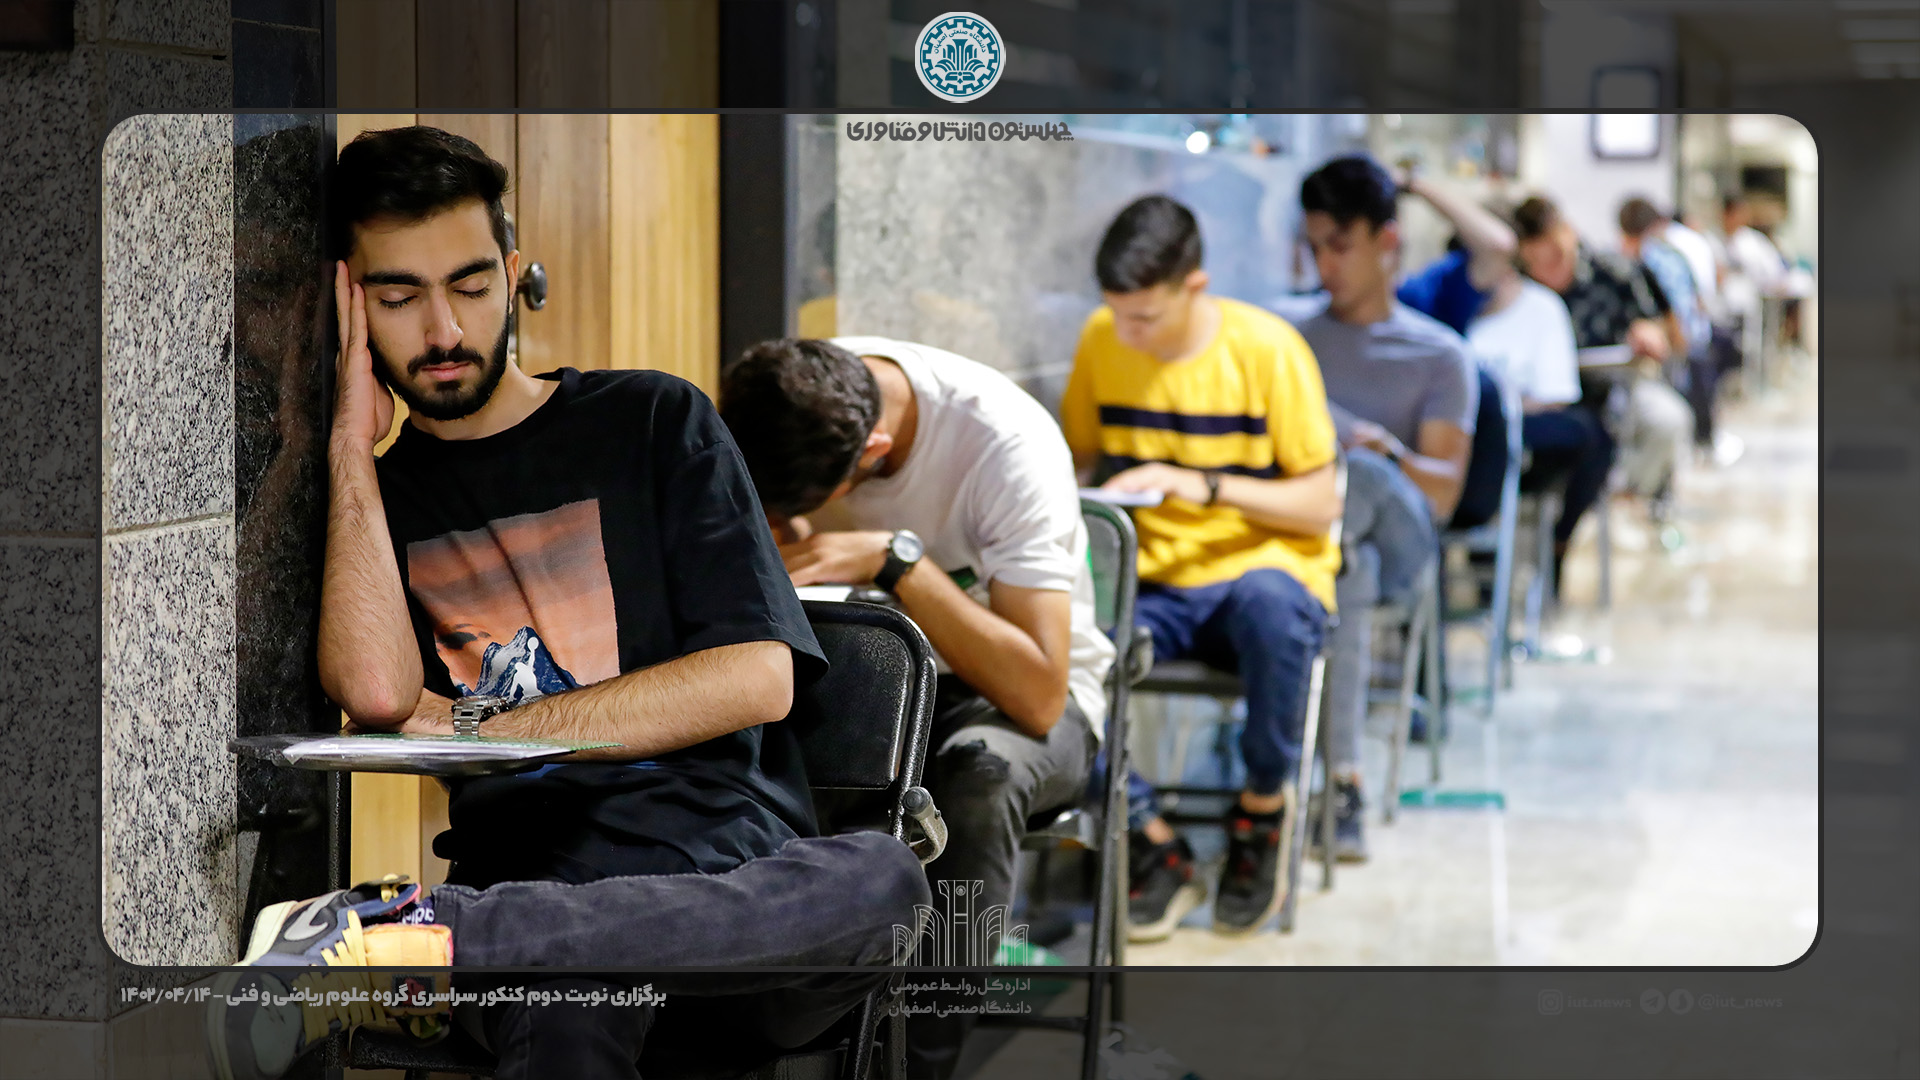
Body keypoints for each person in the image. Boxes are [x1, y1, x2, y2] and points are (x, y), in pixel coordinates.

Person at [206, 126, 928, 1080]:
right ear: (350, 310)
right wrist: (345, 445)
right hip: (537, 882)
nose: (443, 331)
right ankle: (466, 940)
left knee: (884, 882)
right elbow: (378, 696)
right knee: (566, 997)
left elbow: (757, 679)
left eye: (469, 286)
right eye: (399, 297)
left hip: (732, 897)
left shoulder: (653, 420)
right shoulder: (373, 508)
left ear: (512, 278)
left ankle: (418, 936)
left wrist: (479, 725)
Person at [717, 335, 1115, 1080]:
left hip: (1012, 704)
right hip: (870, 685)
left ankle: (923, 1064)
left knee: (979, 781)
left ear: (874, 449)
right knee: (741, 745)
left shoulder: (1006, 447)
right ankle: (776, 1039)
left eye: (802, 512)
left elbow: (1038, 694)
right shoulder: (789, 397)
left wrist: (896, 563)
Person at [1061, 195, 1343, 939]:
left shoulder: (1268, 349)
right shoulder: (1102, 338)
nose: (1127, 332)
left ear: (1196, 286)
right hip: (1154, 582)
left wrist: (1205, 486)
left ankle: (1262, 810)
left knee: (1271, 609)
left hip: (1263, 573)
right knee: (1052, 653)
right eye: (1116, 314)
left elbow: (1320, 504)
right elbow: (1077, 459)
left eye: (1145, 318)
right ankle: (1153, 840)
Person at [1290, 156, 1478, 862]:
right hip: (1323, 544)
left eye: (1340, 246)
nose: (1325, 265)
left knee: (1363, 482)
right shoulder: (1292, 340)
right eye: (1315, 247)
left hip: (1407, 542)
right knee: (1350, 565)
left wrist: (1383, 449)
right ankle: (1343, 783)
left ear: (1387, 243)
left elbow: (1443, 494)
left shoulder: (1437, 354)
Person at [1513, 194, 1688, 574]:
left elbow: (1659, 327)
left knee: (1665, 421)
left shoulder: (1615, 272)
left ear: (1569, 233)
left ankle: (1609, 505)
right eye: (1538, 261)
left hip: (1609, 391)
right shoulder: (1517, 286)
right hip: (1539, 400)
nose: (1549, 268)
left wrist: (1647, 334)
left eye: (1556, 256)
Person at [1620, 195, 1716, 457]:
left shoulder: (1652, 257)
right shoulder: (1665, 253)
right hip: (1683, 337)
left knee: (1671, 408)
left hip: (1672, 341)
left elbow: (1670, 307)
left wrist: (1677, 340)